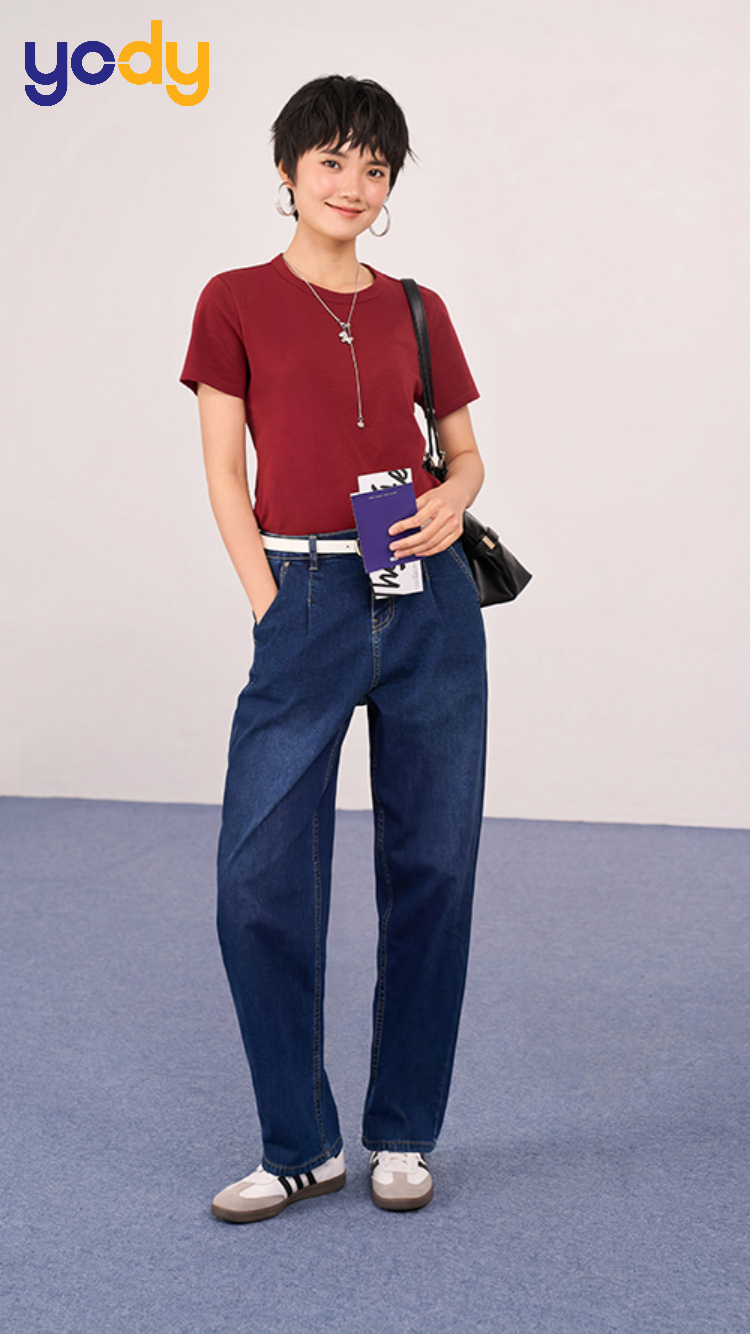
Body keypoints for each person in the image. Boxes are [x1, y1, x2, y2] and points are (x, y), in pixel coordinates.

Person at [181, 75, 487, 1222]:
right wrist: (272, 602)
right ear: (288, 172)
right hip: (303, 594)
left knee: (434, 868)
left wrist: (453, 497)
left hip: (427, 601)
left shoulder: (418, 306)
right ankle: (300, 1142)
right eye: (332, 162)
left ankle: (403, 1129)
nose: (353, 185)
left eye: (375, 167)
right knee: (257, 878)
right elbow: (225, 471)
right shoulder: (234, 300)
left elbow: (464, 452)